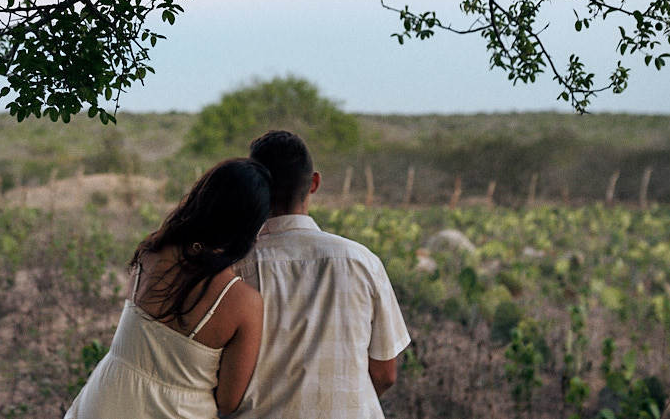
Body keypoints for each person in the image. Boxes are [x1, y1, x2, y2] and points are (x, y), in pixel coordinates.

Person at [64, 158, 271, 419]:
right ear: (250, 225)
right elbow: (228, 402)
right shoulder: (241, 300)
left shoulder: (154, 250)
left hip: (101, 403)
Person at [233, 130, 410, 418]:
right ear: (314, 183)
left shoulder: (232, 269)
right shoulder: (362, 262)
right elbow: (385, 374)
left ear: (255, 187)